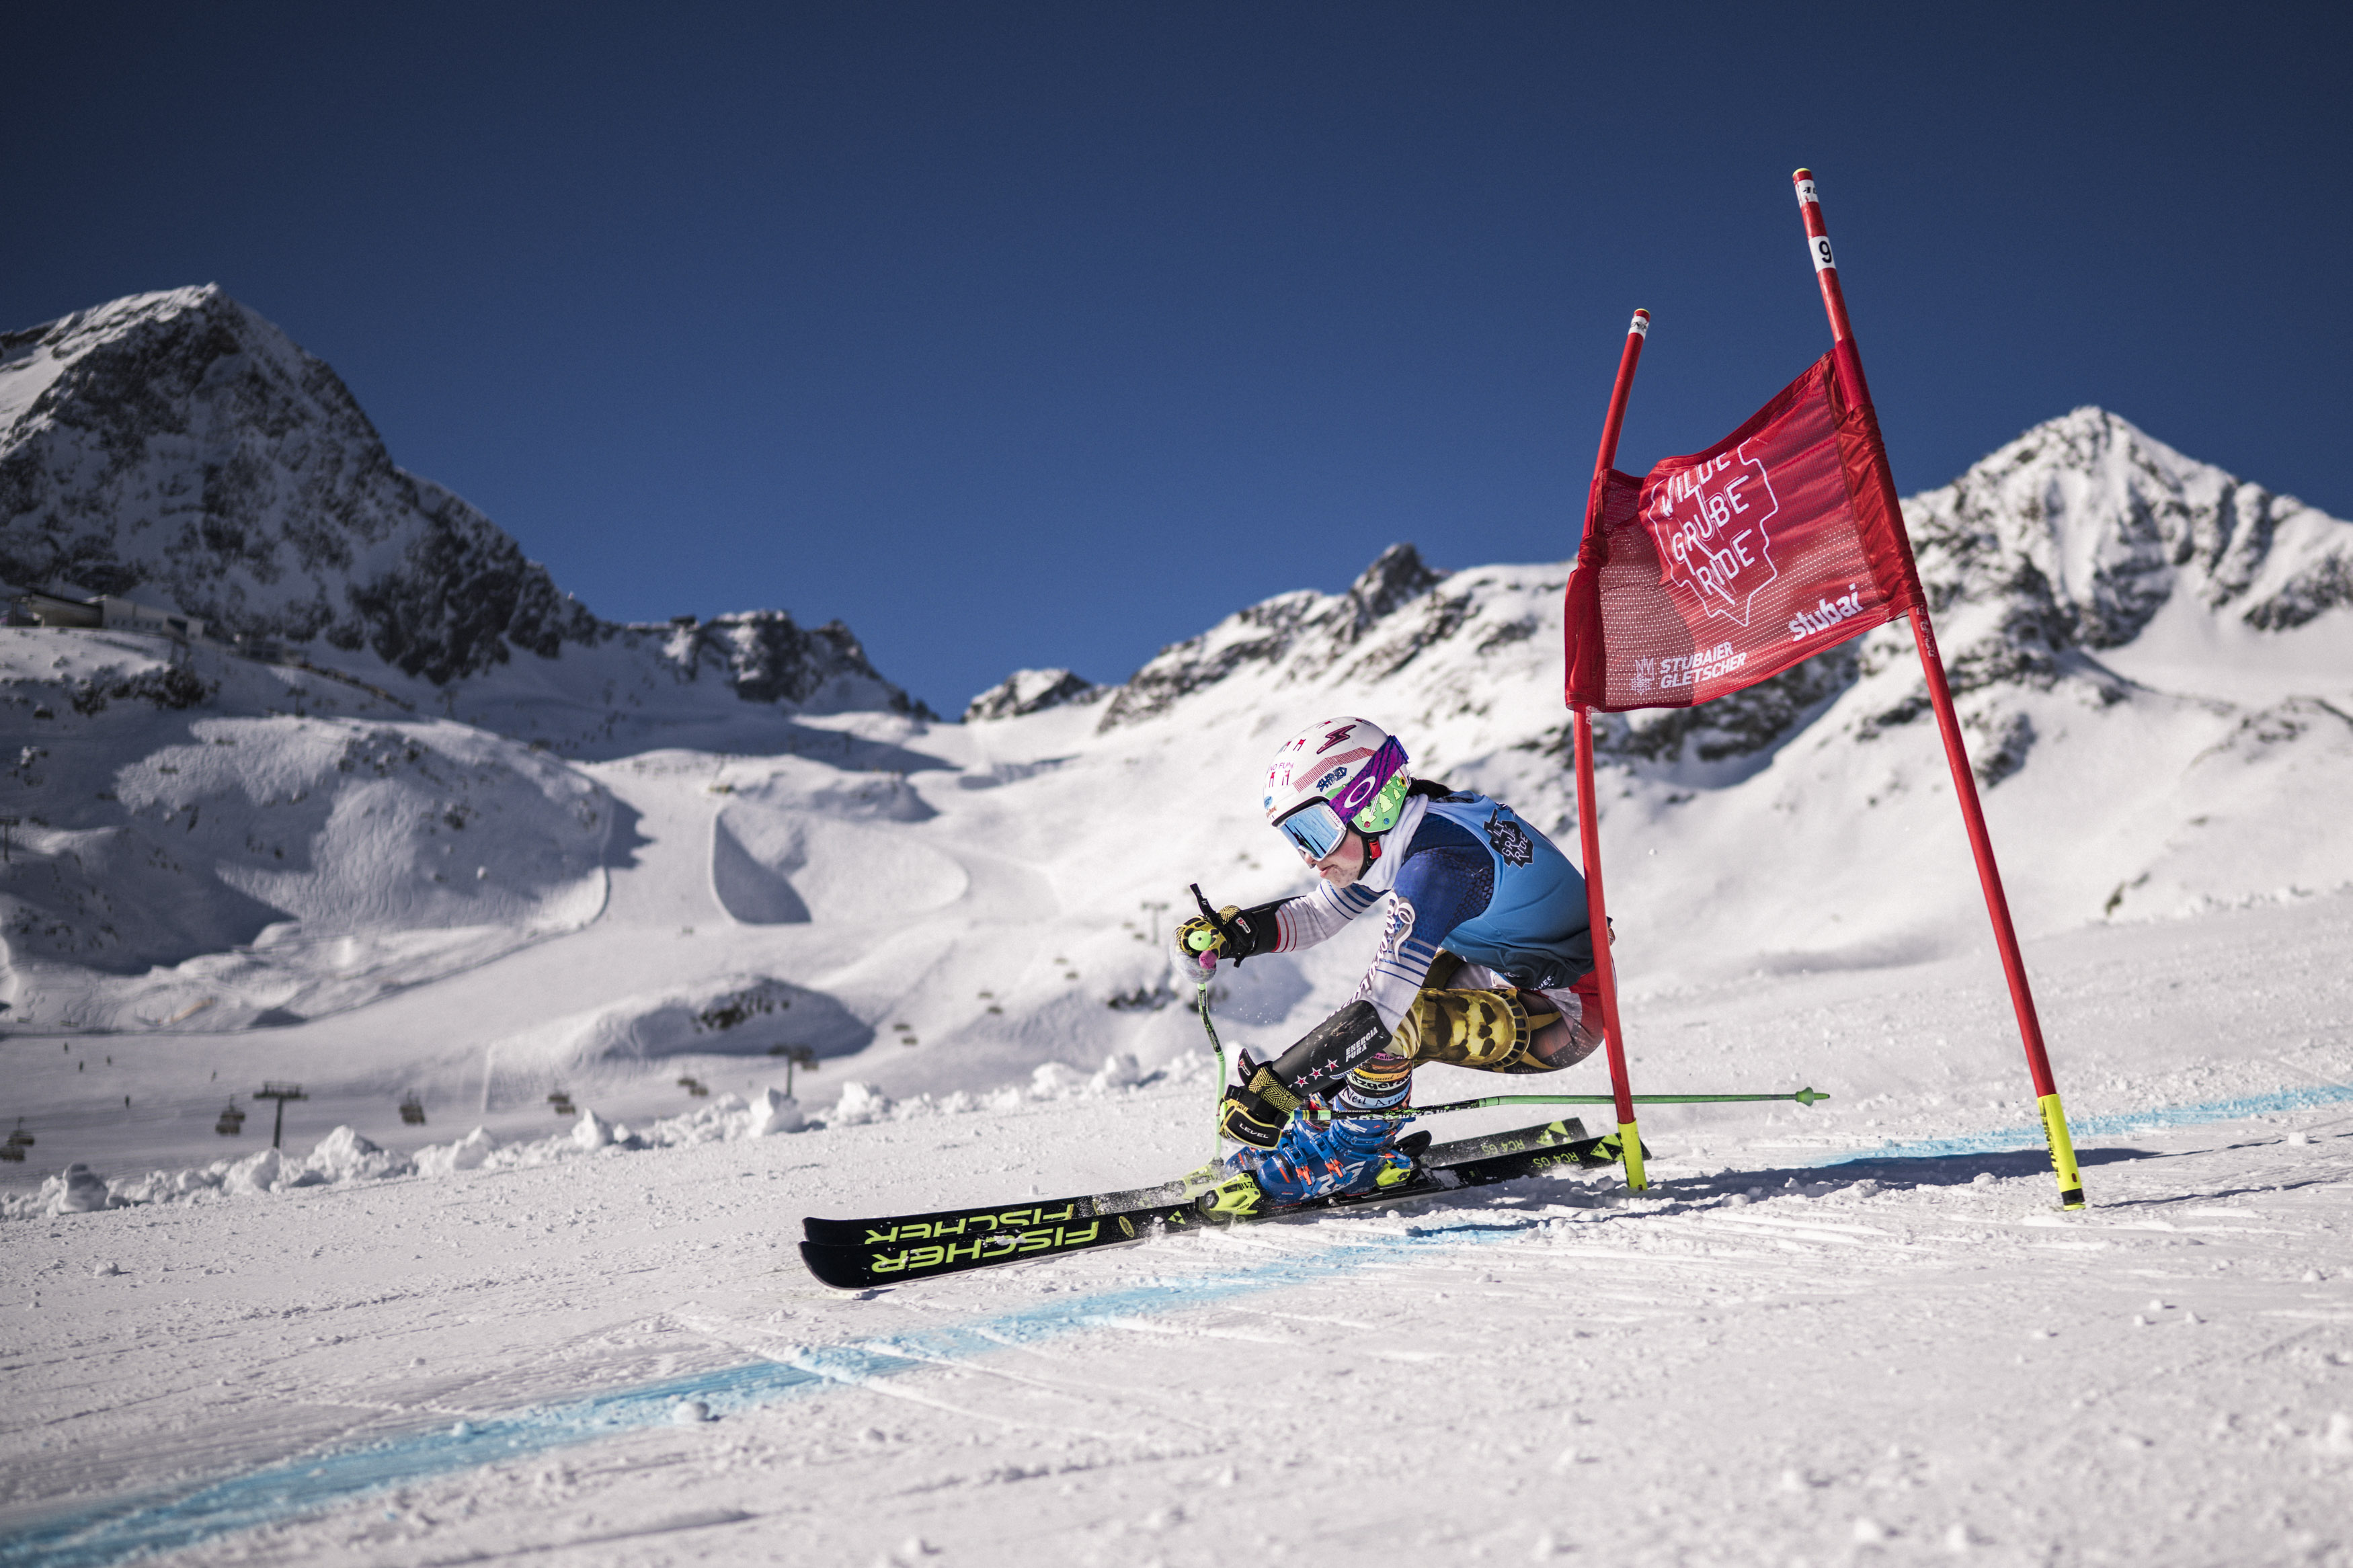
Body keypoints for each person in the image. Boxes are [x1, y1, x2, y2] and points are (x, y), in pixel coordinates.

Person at [1174, 716, 1609, 1206]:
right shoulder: (1406, 832)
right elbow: (1318, 915)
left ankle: (1354, 1153)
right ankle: (1325, 1128)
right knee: (1362, 1022)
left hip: (1567, 1016)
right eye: (1297, 837)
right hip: (1504, 977)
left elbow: (1379, 1013)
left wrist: (1277, 1090)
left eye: (1315, 830)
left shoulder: (1437, 864)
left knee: (1390, 1020)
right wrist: (1236, 935)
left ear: (1367, 803)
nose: (1310, 858)